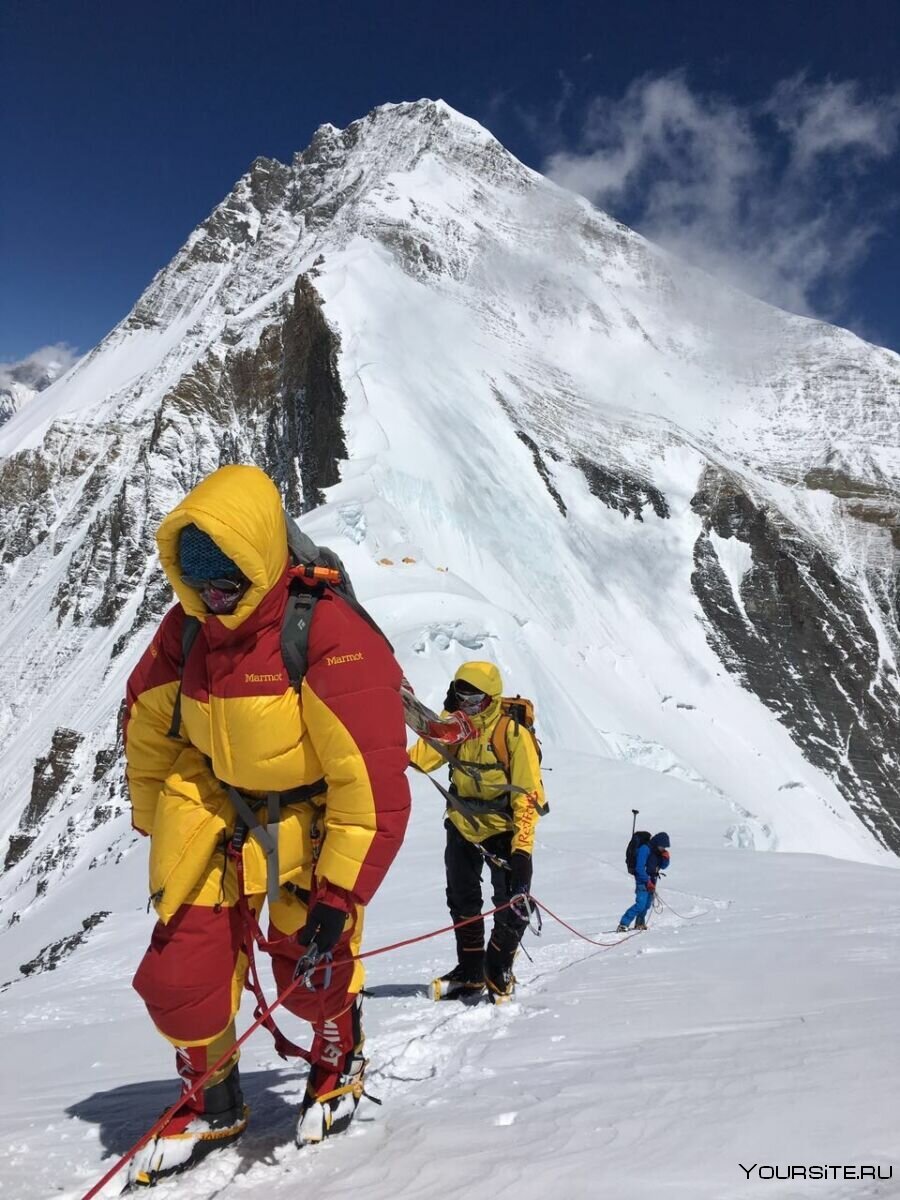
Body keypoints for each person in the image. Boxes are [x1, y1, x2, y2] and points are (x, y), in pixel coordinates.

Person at [122, 465, 411, 1184]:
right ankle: (212, 1097)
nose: (214, 602)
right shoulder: (189, 627)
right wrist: (154, 813)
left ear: (259, 559)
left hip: (305, 821)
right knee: (180, 971)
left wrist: (339, 897)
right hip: (215, 809)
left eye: (226, 584)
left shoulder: (326, 632)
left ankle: (335, 1054)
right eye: (199, 585)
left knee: (309, 965)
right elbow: (148, 718)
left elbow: (371, 787)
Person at [409, 662, 545, 1003]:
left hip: (502, 827)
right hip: (461, 823)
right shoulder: (456, 727)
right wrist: (441, 721)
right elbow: (419, 759)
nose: (468, 706)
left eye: (475, 700)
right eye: (462, 697)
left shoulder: (513, 734)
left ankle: (497, 966)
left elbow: (528, 796)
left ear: (491, 698)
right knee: (461, 899)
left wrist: (523, 851)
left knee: (512, 902)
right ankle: (470, 970)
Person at [618, 832, 671, 931]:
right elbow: (639, 868)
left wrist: (666, 858)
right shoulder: (645, 849)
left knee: (646, 905)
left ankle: (639, 923)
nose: (663, 848)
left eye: (665, 847)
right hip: (642, 880)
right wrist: (647, 881)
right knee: (640, 904)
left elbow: (663, 866)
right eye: (662, 846)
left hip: (652, 880)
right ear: (657, 843)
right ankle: (623, 924)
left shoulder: (657, 851)